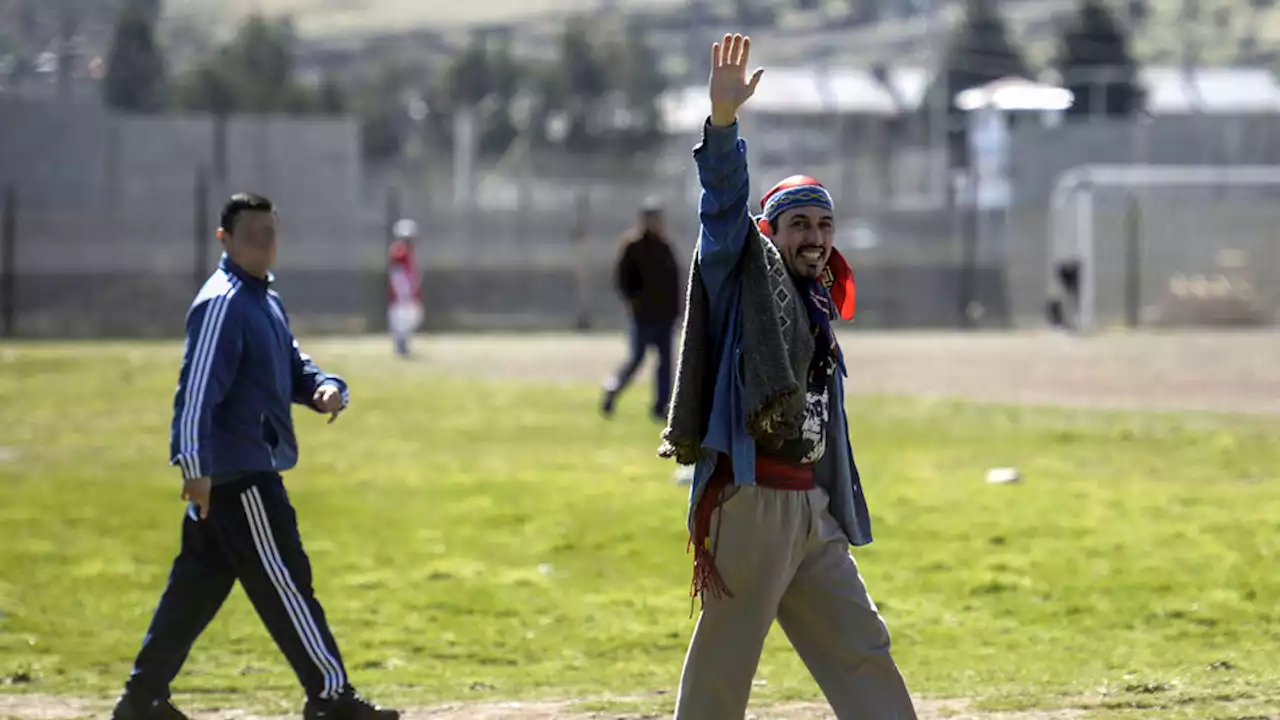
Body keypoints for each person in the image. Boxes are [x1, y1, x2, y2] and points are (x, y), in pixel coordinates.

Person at [658, 34, 917, 719]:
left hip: (810, 509)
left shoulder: (817, 302)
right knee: (725, 663)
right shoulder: (744, 270)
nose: (814, 236)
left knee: (861, 646)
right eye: (798, 223)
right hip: (752, 503)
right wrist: (722, 123)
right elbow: (721, 206)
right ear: (770, 233)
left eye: (824, 224)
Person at [111, 193, 399, 720]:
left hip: (234, 474)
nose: (264, 243)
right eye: (252, 234)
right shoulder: (224, 302)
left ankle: (142, 700)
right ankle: (331, 698)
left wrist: (326, 387)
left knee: (194, 590)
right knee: (287, 582)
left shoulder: (262, 297)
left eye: (270, 232)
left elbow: (291, 364)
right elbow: (196, 394)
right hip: (239, 476)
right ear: (224, 240)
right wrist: (195, 469)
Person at [601, 197, 681, 421]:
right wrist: (634, 302)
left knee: (665, 364)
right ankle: (612, 390)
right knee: (636, 359)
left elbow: (674, 281)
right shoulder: (633, 246)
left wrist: (676, 311)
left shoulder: (665, 246)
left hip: (665, 317)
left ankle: (661, 407)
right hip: (643, 317)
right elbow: (622, 279)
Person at [387, 219, 423, 357]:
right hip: (402, 294)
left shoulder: (408, 252)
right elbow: (398, 275)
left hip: (408, 293)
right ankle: (401, 346)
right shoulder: (399, 252)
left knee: (412, 318)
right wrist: (403, 292)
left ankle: (403, 344)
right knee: (401, 320)